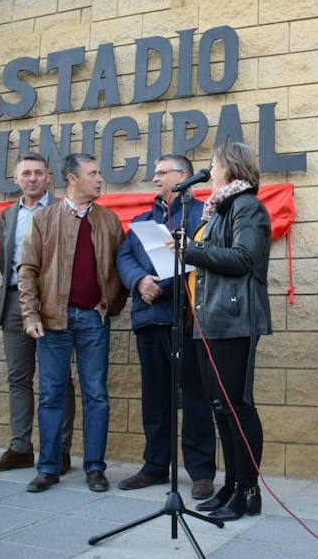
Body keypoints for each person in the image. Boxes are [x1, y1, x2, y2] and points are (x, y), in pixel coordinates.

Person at [18, 153, 127, 493]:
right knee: (51, 396)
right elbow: (28, 270)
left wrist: (107, 307)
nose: (99, 178)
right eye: (93, 173)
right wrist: (31, 314)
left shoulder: (110, 221)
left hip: (94, 320)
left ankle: (95, 468)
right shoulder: (44, 219)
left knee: (97, 395)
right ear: (72, 178)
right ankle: (48, 468)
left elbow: (122, 270)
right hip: (53, 322)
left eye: (100, 172)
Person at [116, 154, 217, 498]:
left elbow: (204, 257)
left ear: (184, 176)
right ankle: (155, 466)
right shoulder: (143, 220)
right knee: (155, 399)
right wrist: (140, 280)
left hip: (188, 320)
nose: (155, 178)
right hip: (149, 320)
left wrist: (166, 285)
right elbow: (124, 257)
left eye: (162, 172)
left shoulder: (204, 214)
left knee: (196, 397)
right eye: (155, 172)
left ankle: (201, 472)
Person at [183, 142, 271, 521]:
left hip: (234, 321)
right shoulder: (217, 211)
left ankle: (249, 491)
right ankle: (232, 485)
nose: (209, 171)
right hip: (208, 321)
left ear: (230, 169)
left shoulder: (246, 206)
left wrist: (189, 251)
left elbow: (244, 258)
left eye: (213, 165)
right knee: (221, 408)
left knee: (237, 407)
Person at [0, 152, 76, 474]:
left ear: (49, 176)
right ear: (16, 178)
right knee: (18, 378)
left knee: (58, 379)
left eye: (38, 173)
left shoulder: (64, 210)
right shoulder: (7, 215)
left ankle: (59, 450)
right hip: (14, 304)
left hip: (51, 304)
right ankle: (20, 447)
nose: (32, 178)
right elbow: (4, 261)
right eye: (26, 174)